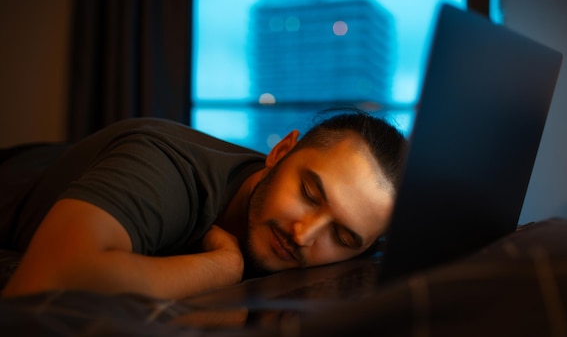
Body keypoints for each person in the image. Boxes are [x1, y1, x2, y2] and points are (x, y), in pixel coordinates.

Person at [0, 109, 407, 299]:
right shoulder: (166, 167)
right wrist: (220, 267)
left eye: (341, 235)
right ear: (281, 151)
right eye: (310, 194)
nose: (302, 234)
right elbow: (41, 284)